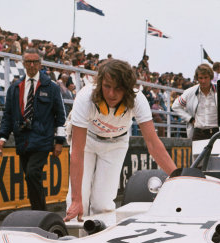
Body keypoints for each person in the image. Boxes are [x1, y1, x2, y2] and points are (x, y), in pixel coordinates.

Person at [64, 59, 177, 221]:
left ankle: (100, 241)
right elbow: (77, 152)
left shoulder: (138, 100)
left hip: (116, 143)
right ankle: (73, 239)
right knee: (76, 202)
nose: (111, 94)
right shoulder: (85, 97)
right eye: (107, 86)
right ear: (100, 83)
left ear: (127, 88)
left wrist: (177, 177)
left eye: (118, 88)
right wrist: (76, 200)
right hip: (87, 140)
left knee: (102, 204)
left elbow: (153, 143)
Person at [0, 49, 66, 211]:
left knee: (33, 173)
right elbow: (8, 115)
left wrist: (59, 141)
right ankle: (38, 211)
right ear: (23, 63)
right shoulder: (15, 88)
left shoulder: (52, 87)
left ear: (40, 64)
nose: (32, 65)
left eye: (35, 62)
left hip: (42, 140)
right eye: (28, 62)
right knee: (30, 177)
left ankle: (40, 213)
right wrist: (2, 138)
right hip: (23, 140)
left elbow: (60, 117)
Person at [171, 64, 218, 141]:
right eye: (200, 78)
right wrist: (190, 119)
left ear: (210, 77)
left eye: (206, 77)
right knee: (197, 153)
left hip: (217, 132)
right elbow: (175, 106)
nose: (203, 81)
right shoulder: (190, 92)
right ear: (197, 78)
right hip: (199, 133)